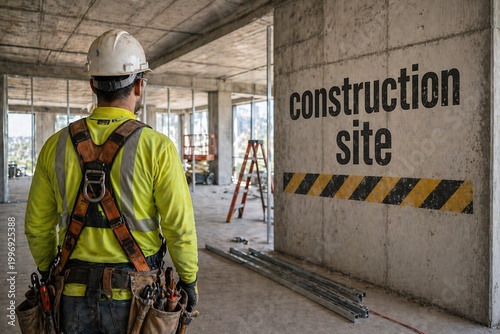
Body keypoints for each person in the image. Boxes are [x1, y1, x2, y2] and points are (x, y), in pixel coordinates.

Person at [24, 29, 199, 333]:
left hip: (70, 293)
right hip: (136, 298)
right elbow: (179, 227)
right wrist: (189, 279)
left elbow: (37, 225)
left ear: (93, 84)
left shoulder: (55, 145)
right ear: (139, 86)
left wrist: (46, 268)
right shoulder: (157, 147)